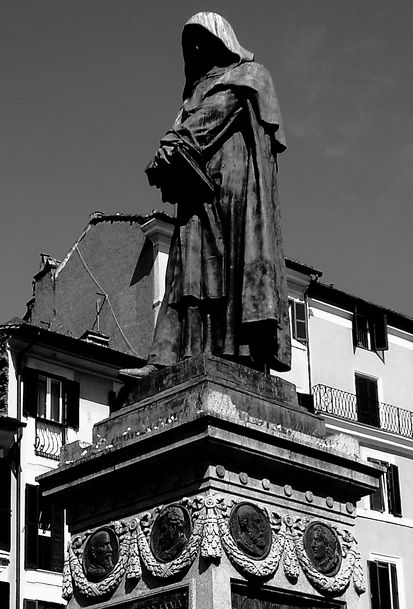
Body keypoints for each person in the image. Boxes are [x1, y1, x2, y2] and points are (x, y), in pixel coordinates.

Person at [122, 12, 290, 379]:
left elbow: (208, 121)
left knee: (230, 272)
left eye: (201, 38)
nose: (195, 48)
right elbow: (183, 135)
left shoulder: (247, 76)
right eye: (189, 43)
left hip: (235, 191)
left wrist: (171, 146)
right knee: (186, 272)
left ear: (221, 40)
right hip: (197, 193)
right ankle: (165, 359)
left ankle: (239, 358)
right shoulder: (192, 95)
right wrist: (166, 158)